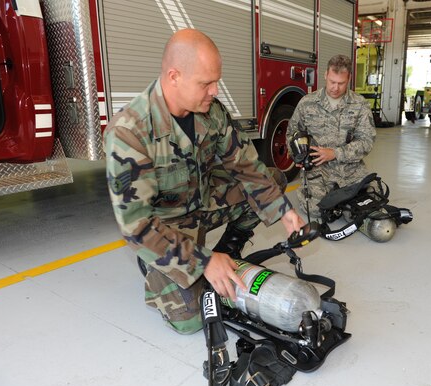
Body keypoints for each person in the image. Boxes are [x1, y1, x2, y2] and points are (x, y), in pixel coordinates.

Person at [104, 29, 305, 334]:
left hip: (203, 205)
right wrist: (203, 261)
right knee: (191, 319)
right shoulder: (129, 132)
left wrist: (285, 211)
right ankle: (155, 265)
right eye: (205, 83)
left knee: (272, 181)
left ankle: (229, 251)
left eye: (216, 82)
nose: (214, 91)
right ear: (174, 76)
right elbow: (136, 225)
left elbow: (246, 165)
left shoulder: (211, 112)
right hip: (166, 229)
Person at [286, 54, 376, 217]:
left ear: (349, 78)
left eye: (341, 83)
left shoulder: (360, 104)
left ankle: (344, 198)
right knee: (316, 210)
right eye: (332, 82)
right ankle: (320, 194)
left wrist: (335, 153)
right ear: (326, 75)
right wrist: (297, 155)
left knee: (366, 208)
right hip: (318, 169)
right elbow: (292, 133)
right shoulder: (307, 103)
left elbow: (367, 141)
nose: (335, 88)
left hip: (350, 168)